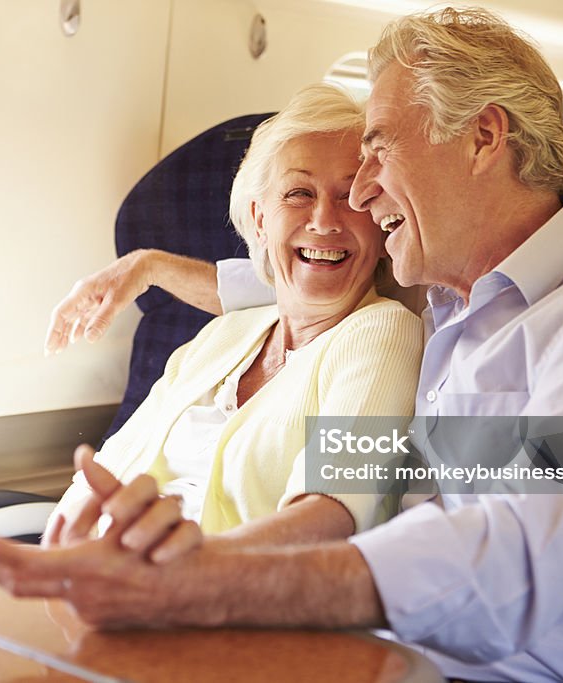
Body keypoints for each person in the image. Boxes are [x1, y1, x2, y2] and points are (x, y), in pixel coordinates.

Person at [0, 7, 563, 682]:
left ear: (484, 137)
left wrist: (205, 580)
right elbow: (292, 290)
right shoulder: (448, 308)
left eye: (378, 149)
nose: (359, 196)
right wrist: (153, 268)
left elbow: (510, 558)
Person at [44, 83, 423, 556]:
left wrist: (179, 574)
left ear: (378, 217)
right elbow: (99, 478)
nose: (324, 220)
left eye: (349, 197)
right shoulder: (222, 334)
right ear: (260, 218)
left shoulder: (383, 332)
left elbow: (330, 514)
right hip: (107, 579)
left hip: (224, 599)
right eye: (299, 193)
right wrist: (58, 558)